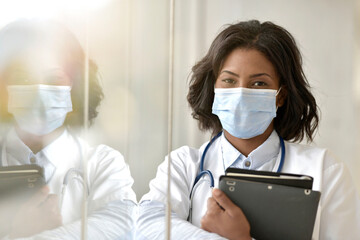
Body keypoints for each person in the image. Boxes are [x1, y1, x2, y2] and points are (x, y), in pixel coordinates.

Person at [137, 20, 360, 239]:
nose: (241, 93)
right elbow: (148, 226)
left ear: (280, 95)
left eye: (259, 83)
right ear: (214, 88)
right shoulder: (183, 166)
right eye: (229, 81)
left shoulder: (326, 171)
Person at [0, 19, 136, 239]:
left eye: (54, 78)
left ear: (76, 86)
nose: (38, 91)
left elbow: (119, 229)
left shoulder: (103, 165)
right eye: (23, 78)